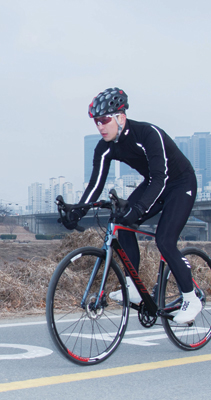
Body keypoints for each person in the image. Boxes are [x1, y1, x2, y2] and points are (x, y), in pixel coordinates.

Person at [61, 87, 201, 324]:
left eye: (104, 120)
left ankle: (191, 297)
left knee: (165, 241)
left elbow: (160, 177)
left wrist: (140, 209)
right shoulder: (105, 147)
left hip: (179, 183)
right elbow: (95, 184)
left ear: (120, 117)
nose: (100, 127)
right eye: (96, 122)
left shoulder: (148, 134)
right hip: (154, 184)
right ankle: (134, 286)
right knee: (120, 222)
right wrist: (77, 211)